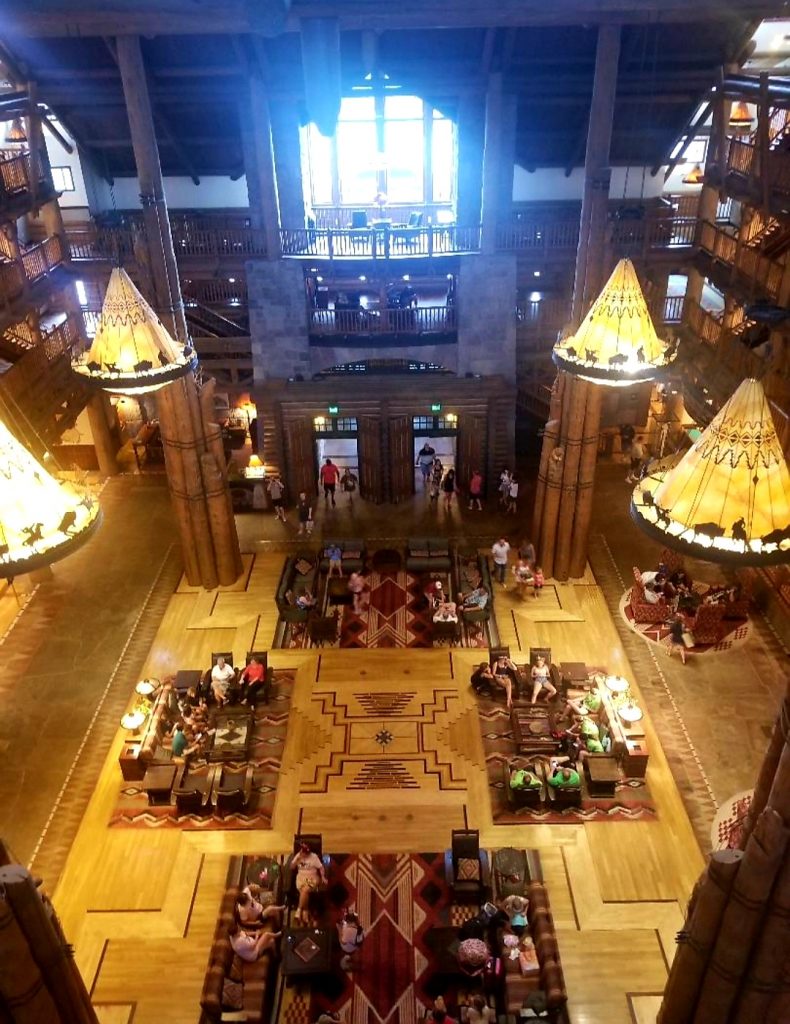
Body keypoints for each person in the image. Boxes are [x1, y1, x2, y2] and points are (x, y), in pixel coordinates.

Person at [290, 842, 327, 925]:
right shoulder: (298, 856)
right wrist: (296, 860)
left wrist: (323, 877)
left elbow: (321, 867)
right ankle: (305, 912)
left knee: (305, 890)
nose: (305, 855)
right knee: (304, 892)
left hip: (312, 879)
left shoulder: (314, 857)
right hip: (301, 879)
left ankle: (299, 911)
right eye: (303, 853)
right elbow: (291, 867)